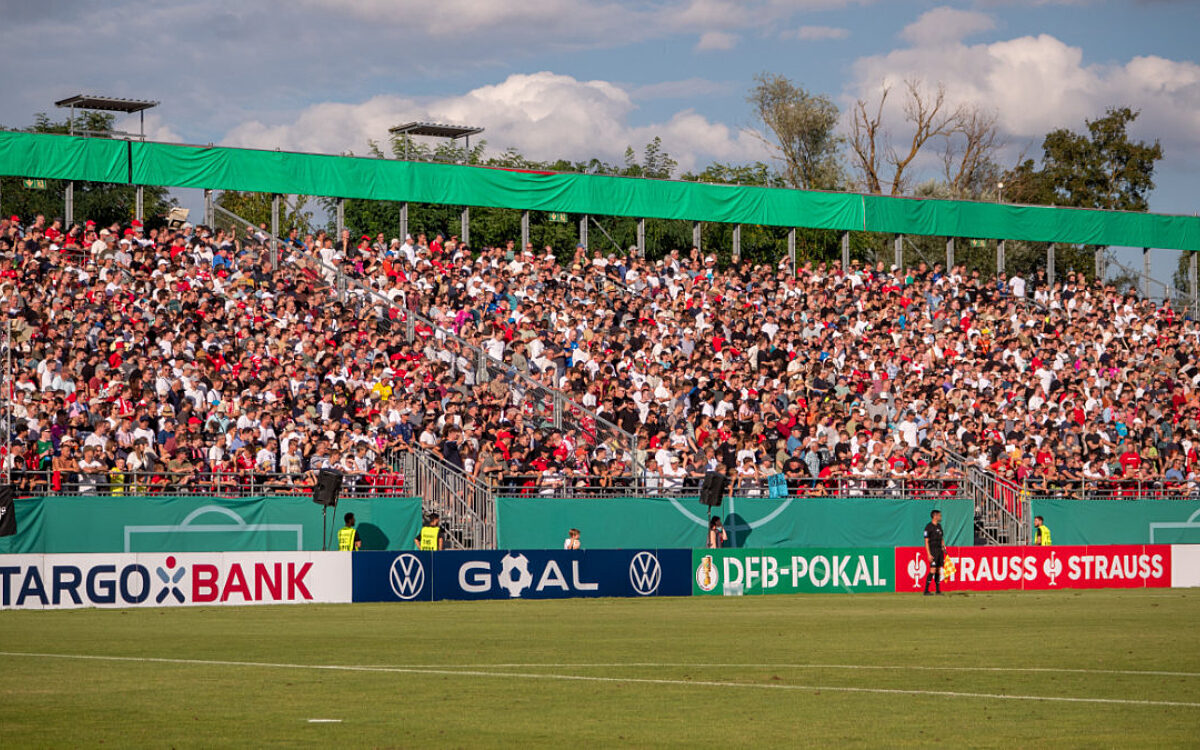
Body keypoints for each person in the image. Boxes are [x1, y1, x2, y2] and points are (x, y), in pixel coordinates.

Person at [923, 509, 945, 595]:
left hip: (939, 550)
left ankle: (938, 590)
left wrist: (943, 546)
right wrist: (928, 554)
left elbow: (941, 538)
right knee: (932, 569)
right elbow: (926, 541)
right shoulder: (928, 527)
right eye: (939, 515)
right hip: (933, 550)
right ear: (935, 516)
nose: (940, 517)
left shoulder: (939, 526)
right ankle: (926, 590)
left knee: (938, 570)